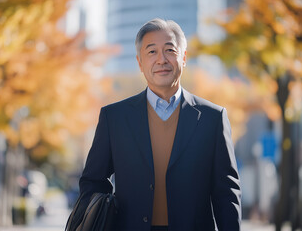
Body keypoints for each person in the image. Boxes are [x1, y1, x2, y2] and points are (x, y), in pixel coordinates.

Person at [68, 18, 241, 231]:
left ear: (184, 58)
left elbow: (226, 192)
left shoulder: (212, 118)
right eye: (151, 52)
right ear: (140, 62)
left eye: (170, 50)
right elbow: (93, 181)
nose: (161, 60)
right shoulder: (114, 118)